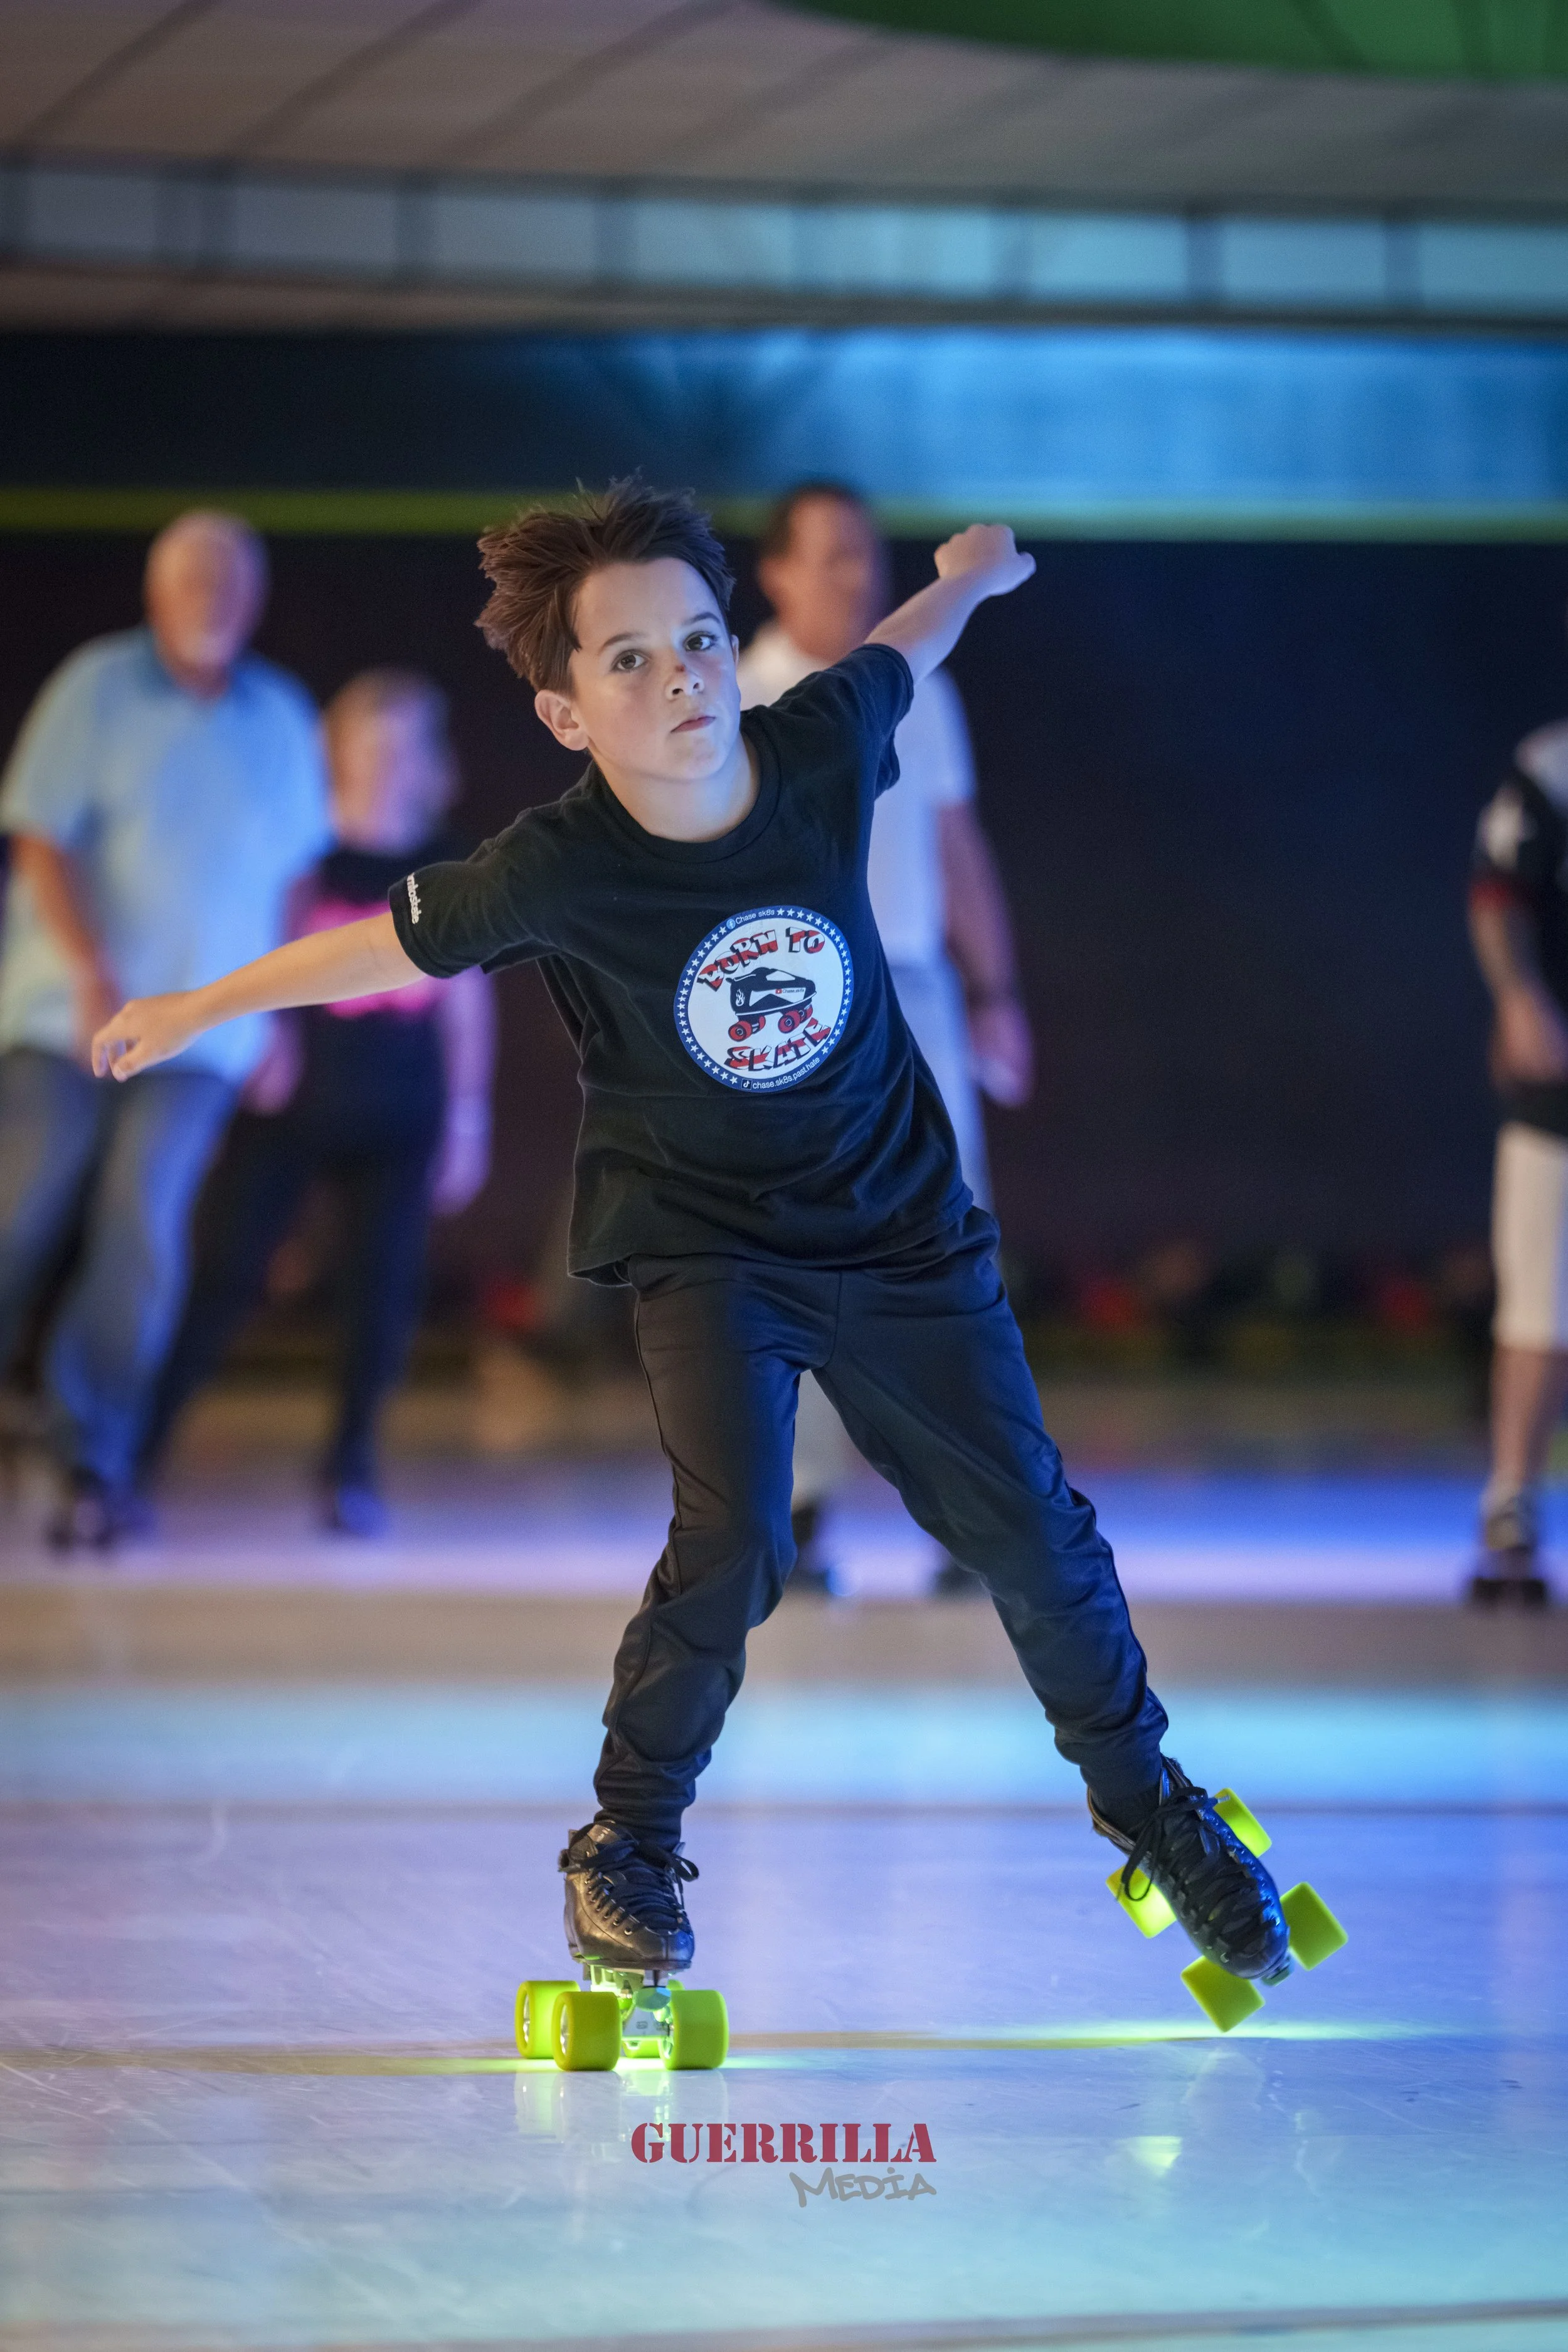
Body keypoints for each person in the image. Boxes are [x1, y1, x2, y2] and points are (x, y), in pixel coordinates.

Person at [90, 481, 1293, 2005]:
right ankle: (627, 1846)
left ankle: (1154, 1815)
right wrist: (198, 1007)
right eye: (631, 662)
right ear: (563, 712)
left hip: (899, 1233)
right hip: (704, 1246)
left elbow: (905, 646)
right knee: (732, 1546)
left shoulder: (817, 746)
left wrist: (970, 577)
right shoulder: (555, 864)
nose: (683, 681)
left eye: (702, 642)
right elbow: (372, 944)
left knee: (1036, 1537)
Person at [0, 510, 327, 1548]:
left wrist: (279, 1018)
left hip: (204, 1035)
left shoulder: (279, 715)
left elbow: (296, 875)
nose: (214, 595)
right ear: (156, 591)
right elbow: (39, 838)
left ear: (258, 596)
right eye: (195, 577)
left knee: (145, 1225)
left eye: (233, 578)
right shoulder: (96, 686)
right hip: (69, 1016)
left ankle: (84, 1452)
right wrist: (93, 969)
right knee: (23, 1206)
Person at [738, 482, 1034, 1596]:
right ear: (776, 572)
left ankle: (964, 1513)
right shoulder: (740, 694)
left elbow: (958, 843)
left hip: (917, 994)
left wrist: (997, 987)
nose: (853, 576)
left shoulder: (919, 682)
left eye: (864, 556)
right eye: (828, 558)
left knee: (948, 1252)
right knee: (802, 1248)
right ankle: (800, 1508)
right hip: (800, 1000)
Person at [137, 671, 496, 1536]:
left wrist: (468, 1115)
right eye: (372, 739)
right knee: (224, 1274)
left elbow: (466, 997)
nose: (387, 759)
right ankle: (133, 1453)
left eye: (406, 742)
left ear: (428, 762)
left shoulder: (449, 864)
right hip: (293, 1104)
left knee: (380, 1295)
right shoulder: (302, 849)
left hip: (400, 1114)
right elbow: (260, 950)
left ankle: (350, 1470)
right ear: (337, 749)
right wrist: (262, 1041)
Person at [1466, 716, 1568, 1604]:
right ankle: (1513, 1495)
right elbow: (1499, 893)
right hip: (1560, 1091)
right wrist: (1522, 999)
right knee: (1540, 1299)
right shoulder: (1551, 765)